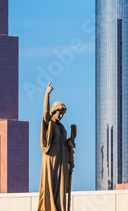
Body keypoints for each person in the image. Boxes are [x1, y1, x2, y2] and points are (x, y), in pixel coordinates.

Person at [37, 82, 71, 211]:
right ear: (54, 111)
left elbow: (63, 143)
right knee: (50, 185)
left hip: (61, 162)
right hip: (50, 160)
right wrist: (47, 94)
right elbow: (45, 113)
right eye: (59, 113)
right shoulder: (49, 123)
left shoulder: (62, 128)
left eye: (63, 114)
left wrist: (69, 143)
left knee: (60, 187)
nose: (61, 116)